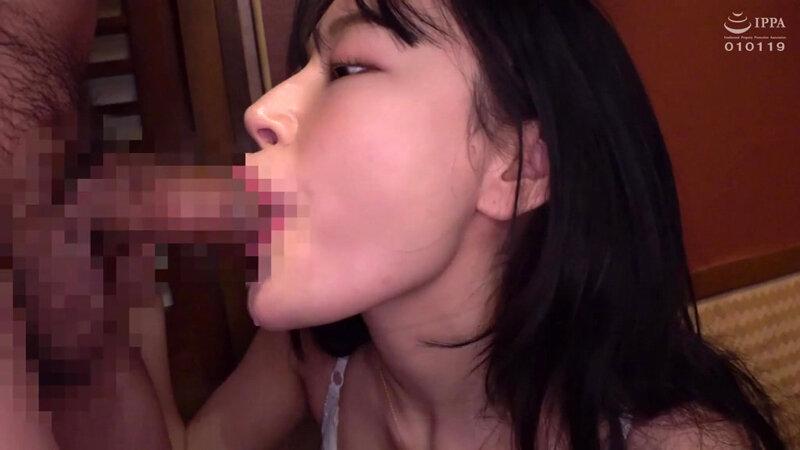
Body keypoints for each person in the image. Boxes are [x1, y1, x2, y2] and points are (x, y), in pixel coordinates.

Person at [136, 0, 789, 449]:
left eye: (348, 68)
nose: (260, 111)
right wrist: (122, 294)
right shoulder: (310, 356)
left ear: (518, 169)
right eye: (300, 70)